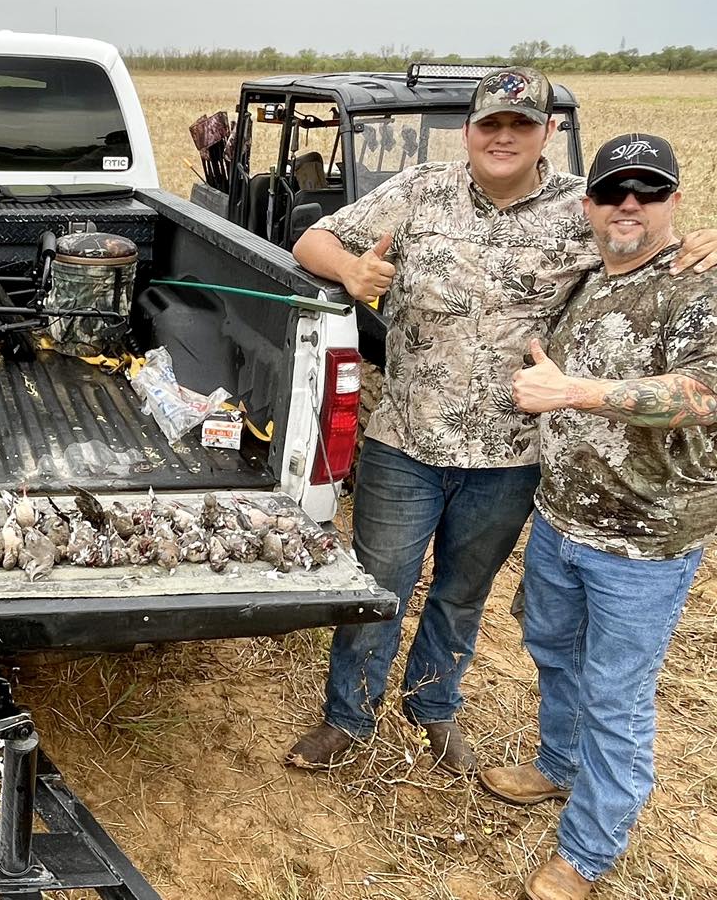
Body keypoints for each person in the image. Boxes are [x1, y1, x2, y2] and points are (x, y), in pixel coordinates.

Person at [284, 68, 717, 774]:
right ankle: (347, 718)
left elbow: (649, 245)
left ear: (548, 133)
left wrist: (707, 240)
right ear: (470, 132)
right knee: (375, 589)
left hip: (512, 457)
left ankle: (433, 707)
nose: (504, 137)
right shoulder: (420, 190)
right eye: (491, 124)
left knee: (461, 594)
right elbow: (313, 240)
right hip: (403, 441)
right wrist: (351, 271)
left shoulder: (585, 206)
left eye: (522, 125)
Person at [480, 133, 717, 900]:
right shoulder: (587, 277)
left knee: (616, 696)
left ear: (674, 203)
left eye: (649, 192)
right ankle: (557, 766)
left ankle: (586, 852)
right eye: (615, 191)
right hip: (560, 522)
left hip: (643, 544)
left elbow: (705, 396)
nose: (629, 204)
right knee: (552, 651)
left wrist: (578, 392)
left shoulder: (698, 286)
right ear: (589, 204)